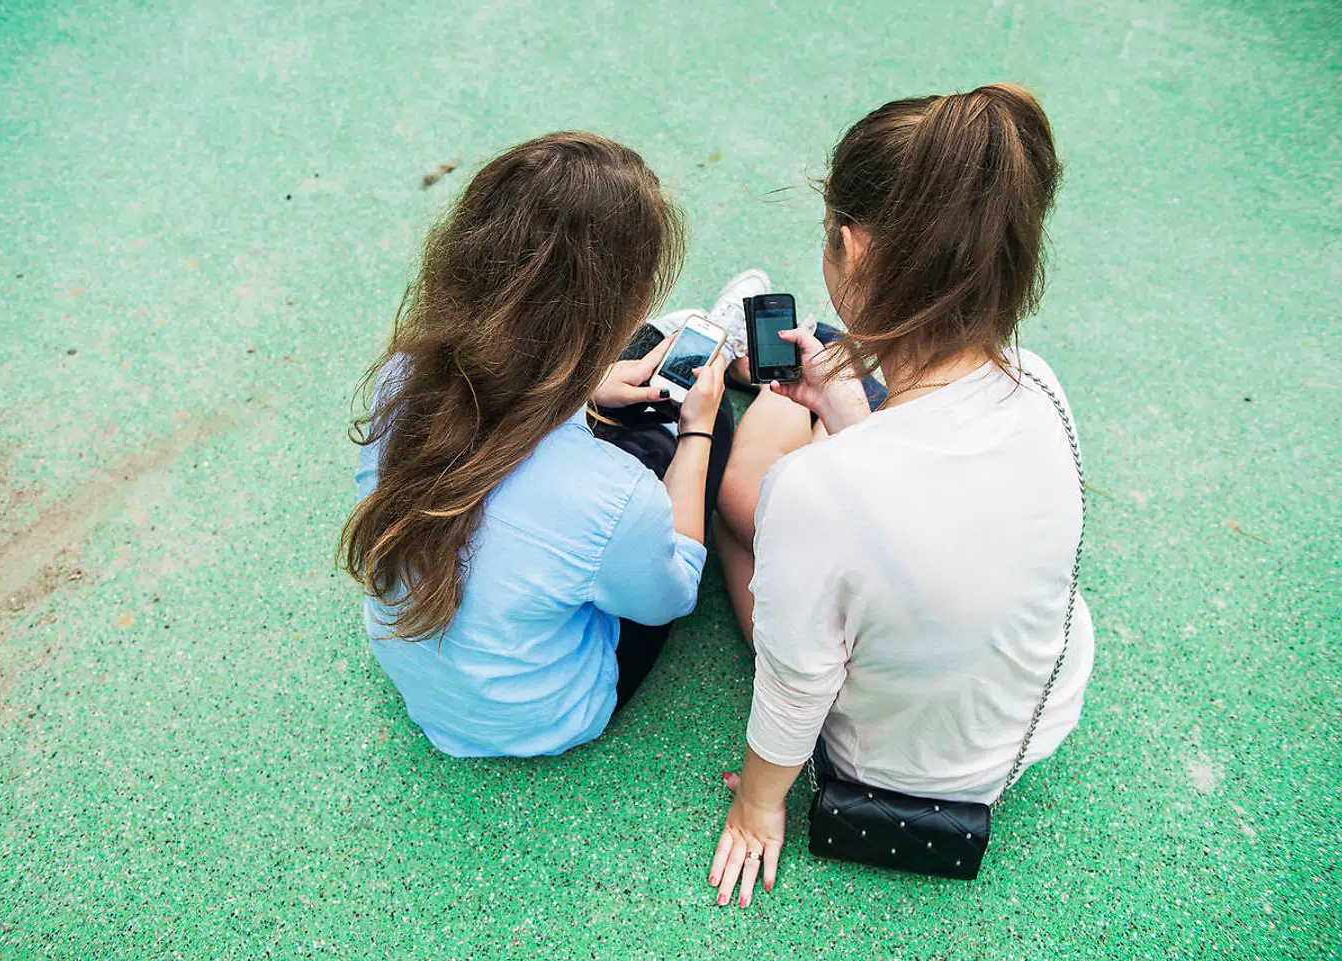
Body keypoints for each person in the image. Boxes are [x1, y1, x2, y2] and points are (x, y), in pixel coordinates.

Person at [706, 85, 1094, 907]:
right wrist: (851, 420)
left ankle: (746, 376)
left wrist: (757, 804)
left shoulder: (817, 492)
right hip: (1020, 733)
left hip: (881, 769)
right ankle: (812, 396)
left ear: (856, 252)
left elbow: (795, 683)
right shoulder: (1042, 392)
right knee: (824, 473)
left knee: (744, 508)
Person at [341, 132, 742, 758]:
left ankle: (631, 369)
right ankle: (703, 377)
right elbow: (670, 597)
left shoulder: (398, 380)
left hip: (419, 670)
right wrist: (696, 429)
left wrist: (584, 397)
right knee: (696, 433)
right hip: (546, 714)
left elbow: (496, 457)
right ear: (617, 310)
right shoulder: (615, 495)